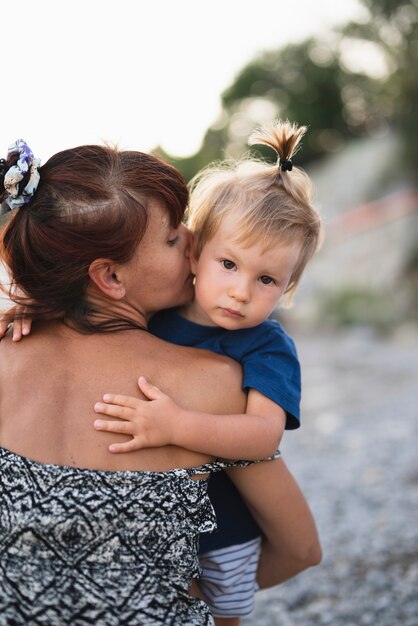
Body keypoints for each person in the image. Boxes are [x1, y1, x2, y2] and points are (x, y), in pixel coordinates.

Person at [0, 138, 320, 625]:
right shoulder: (212, 384)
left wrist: (32, 305)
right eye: (174, 238)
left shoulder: (10, 345)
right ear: (109, 277)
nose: (194, 244)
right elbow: (301, 548)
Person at [91, 120, 323, 625]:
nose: (241, 291)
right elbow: (87, 315)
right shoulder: (155, 315)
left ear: (288, 286)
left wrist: (177, 427)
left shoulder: (267, 346)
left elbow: (263, 436)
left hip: (228, 530)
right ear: (195, 251)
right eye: (229, 264)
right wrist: (25, 311)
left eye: (266, 279)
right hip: (148, 520)